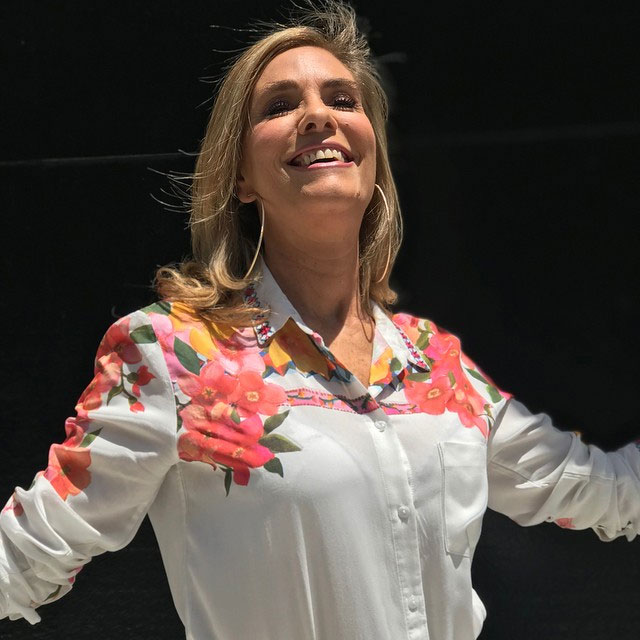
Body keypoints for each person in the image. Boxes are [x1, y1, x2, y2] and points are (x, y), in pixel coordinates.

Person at [1, 2, 638, 638]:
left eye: (342, 98)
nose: (318, 116)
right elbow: (25, 554)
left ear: (372, 153)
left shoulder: (436, 365)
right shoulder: (173, 354)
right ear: (241, 176)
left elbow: (603, 491)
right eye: (280, 106)